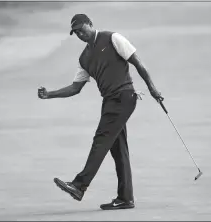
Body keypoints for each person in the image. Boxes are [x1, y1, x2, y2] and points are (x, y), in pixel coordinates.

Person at [38, 14, 163, 210]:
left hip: (124, 97)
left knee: (101, 140)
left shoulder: (113, 38)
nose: (80, 33)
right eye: (76, 32)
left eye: (82, 28)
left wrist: (153, 89)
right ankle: (125, 198)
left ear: (90, 24)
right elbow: (75, 88)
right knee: (118, 149)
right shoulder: (84, 58)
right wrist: (50, 95)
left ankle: (79, 185)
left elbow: (138, 63)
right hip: (110, 102)